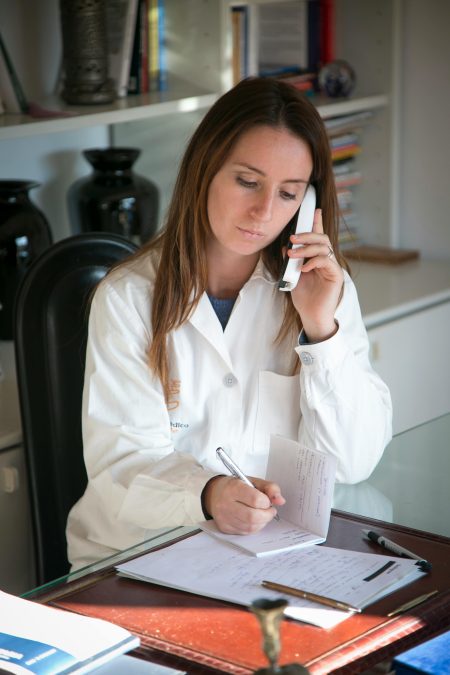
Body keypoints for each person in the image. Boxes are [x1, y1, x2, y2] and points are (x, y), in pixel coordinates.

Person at [66, 77, 392, 569]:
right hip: (136, 557)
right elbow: (121, 468)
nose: (264, 212)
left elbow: (353, 460)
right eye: (247, 181)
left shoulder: (324, 288)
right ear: (204, 170)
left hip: (266, 555)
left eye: (288, 193)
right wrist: (209, 494)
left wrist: (321, 329)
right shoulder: (128, 298)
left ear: (308, 206)